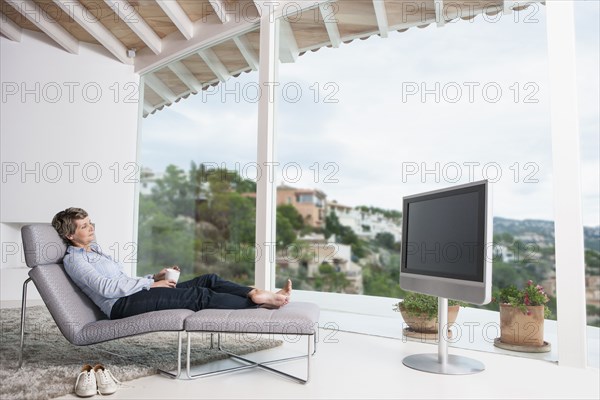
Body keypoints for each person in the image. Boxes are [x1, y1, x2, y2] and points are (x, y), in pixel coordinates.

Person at [51, 207, 292, 320]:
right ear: (70, 235)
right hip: (120, 306)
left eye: (90, 222)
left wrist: (155, 277)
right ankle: (258, 305)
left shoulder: (96, 250)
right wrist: (150, 286)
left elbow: (122, 280)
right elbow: (106, 288)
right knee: (198, 295)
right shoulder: (75, 260)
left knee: (208, 279)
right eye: (84, 226)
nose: (91, 227)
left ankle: (256, 294)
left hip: (134, 293)